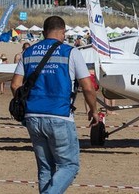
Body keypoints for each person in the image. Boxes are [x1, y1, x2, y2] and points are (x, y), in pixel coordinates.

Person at [10, 16, 99, 193]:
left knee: (45, 168)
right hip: (59, 115)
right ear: (63, 32)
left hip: (33, 116)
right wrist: (93, 110)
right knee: (69, 165)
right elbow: (88, 87)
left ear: (44, 32)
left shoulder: (28, 53)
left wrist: (25, 105)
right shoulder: (71, 52)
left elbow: (14, 85)